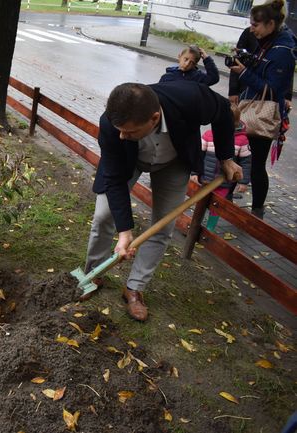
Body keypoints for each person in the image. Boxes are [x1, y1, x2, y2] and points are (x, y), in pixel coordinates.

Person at [81, 81, 243, 321]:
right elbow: (114, 179)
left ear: (154, 118)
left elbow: (222, 112)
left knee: (163, 225)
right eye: (120, 130)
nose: (122, 136)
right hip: (129, 162)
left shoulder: (191, 97)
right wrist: (125, 232)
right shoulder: (111, 124)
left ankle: (134, 288)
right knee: (105, 214)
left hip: (173, 160)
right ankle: (94, 272)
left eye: (130, 131)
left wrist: (226, 158)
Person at [227, 0, 296, 219]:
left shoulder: (283, 49)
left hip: (260, 114)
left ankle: (257, 212)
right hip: (249, 109)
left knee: (255, 164)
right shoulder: (270, 41)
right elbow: (265, 71)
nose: (251, 28)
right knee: (235, 156)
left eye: (256, 24)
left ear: (271, 23)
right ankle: (225, 200)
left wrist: (244, 73)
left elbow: (274, 89)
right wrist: (248, 60)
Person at [191, 103, 252, 231]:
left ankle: (209, 229)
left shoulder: (242, 140)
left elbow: (246, 162)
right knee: (200, 203)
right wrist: (194, 173)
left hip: (224, 182)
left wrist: (243, 181)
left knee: (216, 206)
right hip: (205, 179)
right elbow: (199, 155)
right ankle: (194, 227)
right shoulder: (208, 135)